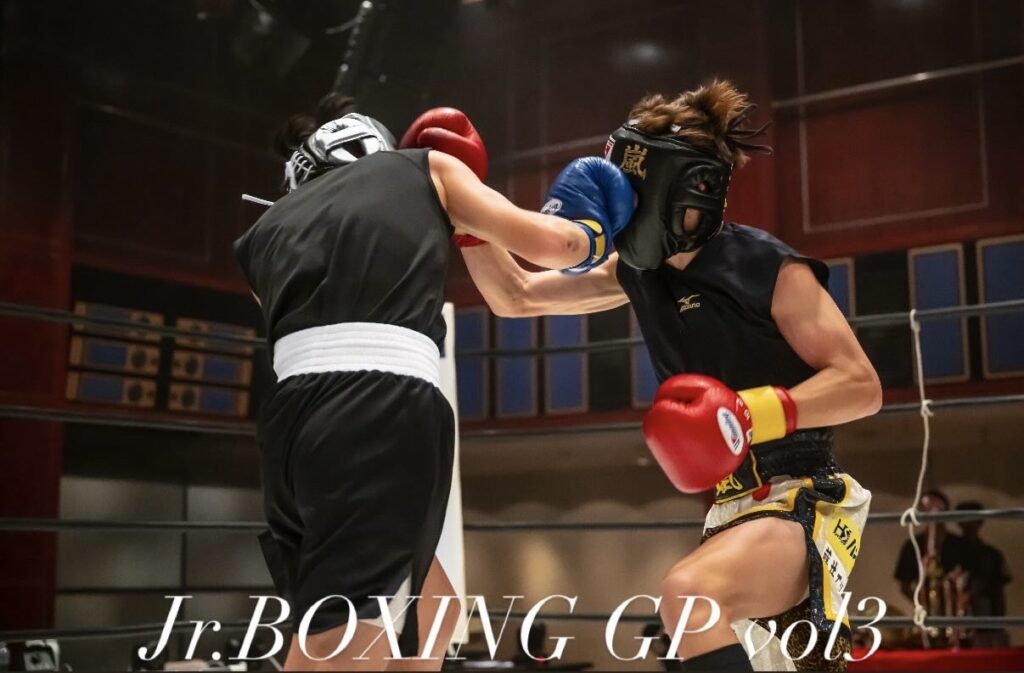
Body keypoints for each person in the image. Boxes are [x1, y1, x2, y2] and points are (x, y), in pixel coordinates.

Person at [461, 80, 882, 671]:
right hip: (730, 507)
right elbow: (516, 295)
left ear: (678, 188)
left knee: (689, 597)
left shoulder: (766, 266)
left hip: (802, 495)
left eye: (631, 190)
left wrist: (749, 414)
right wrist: (462, 204)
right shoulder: (639, 273)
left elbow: (861, 385)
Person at [234, 97, 634, 671]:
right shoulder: (425, 168)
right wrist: (596, 230)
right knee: (344, 640)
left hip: (289, 430)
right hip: (379, 407)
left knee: (432, 608)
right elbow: (560, 247)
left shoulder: (261, 236)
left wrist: (461, 226)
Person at [955, 500, 1012, 648]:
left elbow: (999, 592)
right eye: (964, 519)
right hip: (956, 619)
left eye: (973, 519)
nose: (968, 524)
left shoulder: (991, 554)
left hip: (987, 619)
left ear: (980, 522)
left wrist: (999, 624)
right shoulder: (951, 552)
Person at [894, 489, 966, 605]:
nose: (933, 514)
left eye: (939, 509)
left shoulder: (960, 545)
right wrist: (923, 606)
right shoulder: (912, 546)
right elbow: (904, 585)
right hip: (927, 608)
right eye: (927, 509)